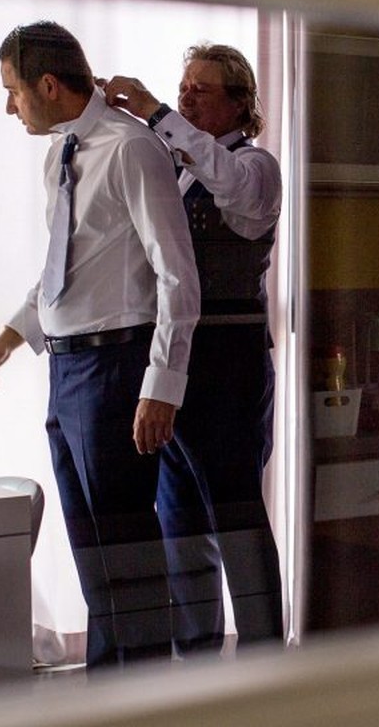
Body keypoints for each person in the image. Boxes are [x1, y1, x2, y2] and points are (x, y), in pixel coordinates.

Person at [0, 21, 200, 670]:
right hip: (66, 372)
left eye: (12, 91)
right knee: (96, 559)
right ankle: (109, 692)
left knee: (127, 556)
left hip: (117, 368)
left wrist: (162, 384)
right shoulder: (61, 155)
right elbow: (68, 262)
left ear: (47, 84)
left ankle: (145, 696)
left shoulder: (132, 149)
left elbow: (177, 275)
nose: (9, 106)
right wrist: (12, 335)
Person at [102, 43, 284, 655]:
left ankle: (264, 656)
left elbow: (230, 185)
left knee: (236, 515)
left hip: (229, 366)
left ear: (239, 102)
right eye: (183, 87)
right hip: (174, 362)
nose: (185, 98)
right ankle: (196, 655)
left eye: (200, 90)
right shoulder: (174, 168)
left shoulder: (256, 167)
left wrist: (155, 111)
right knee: (178, 518)